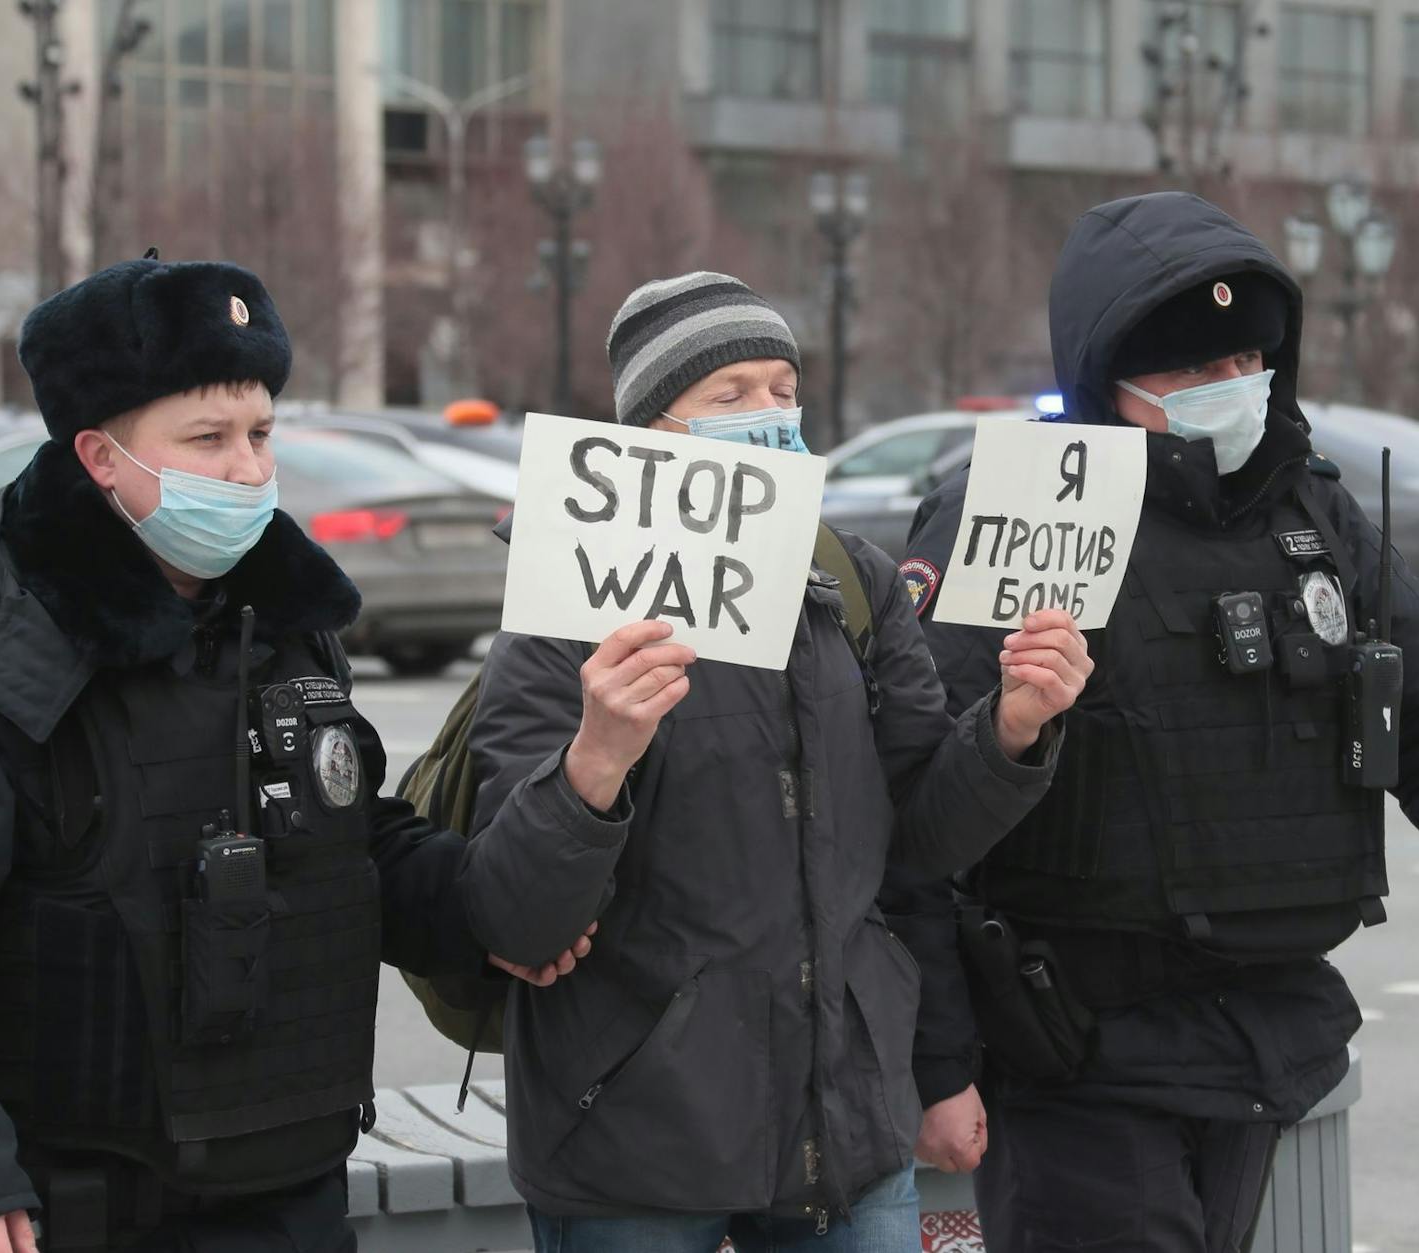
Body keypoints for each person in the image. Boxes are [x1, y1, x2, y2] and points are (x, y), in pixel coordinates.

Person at [0, 254, 583, 1253]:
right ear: (99, 455)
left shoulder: (278, 628)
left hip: (290, 1200)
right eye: (207, 438)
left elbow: (350, 845)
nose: (250, 470)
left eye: (260, 433)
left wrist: (487, 908)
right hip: (65, 1212)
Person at [898, 191, 1419, 1252]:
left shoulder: (1310, 511)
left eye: (1242, 363)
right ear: (1106, 380)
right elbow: (908, 821)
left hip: (1262, 1035)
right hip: (1071, 1048)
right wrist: (936, 1063)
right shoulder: (1019, 513)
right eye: (1190, 373)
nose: (1228, 391)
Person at [454, 271, 1093, 1252]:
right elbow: (515, 911)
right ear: (654, 432)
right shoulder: (566, 604)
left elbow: (919, 834)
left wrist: (1011, 731)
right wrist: (595, 758)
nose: (769, 414)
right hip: (630, 1138)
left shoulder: (850, 580)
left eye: (782, 389)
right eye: (730, 394)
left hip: (839, 1118)